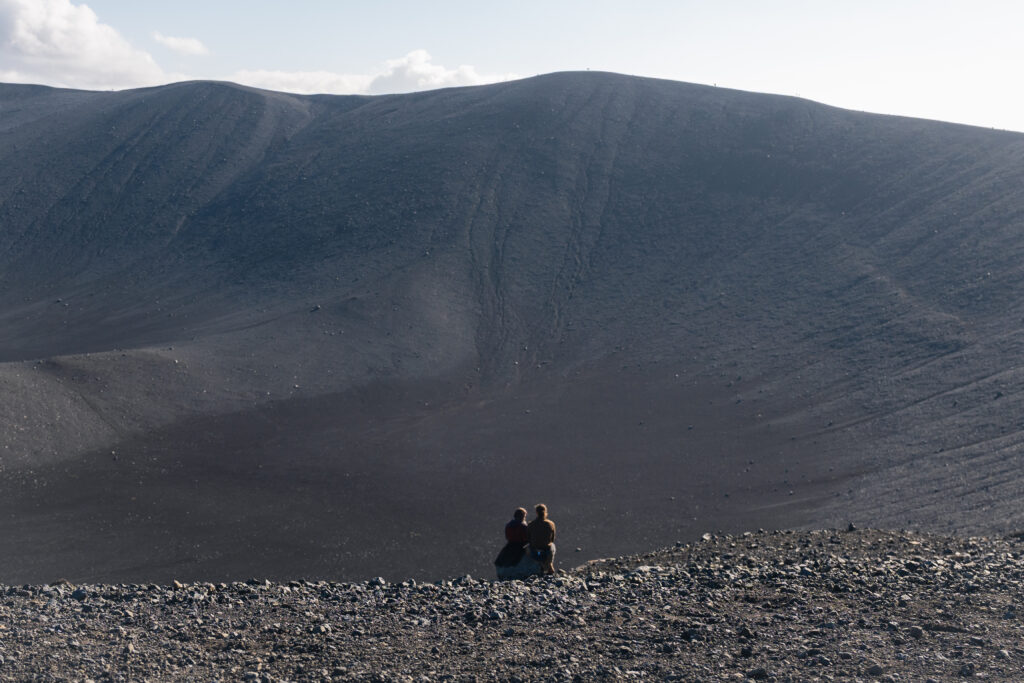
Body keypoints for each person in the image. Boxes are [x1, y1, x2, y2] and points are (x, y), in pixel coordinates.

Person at [528, 503, 557, 575]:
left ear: (536, 512)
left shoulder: (531, 524)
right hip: (546, 549)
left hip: (535, 550)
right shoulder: (551, 524)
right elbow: (552, 539)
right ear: (545, 512)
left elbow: (528, 538)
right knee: (552, 546)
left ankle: (542, 566)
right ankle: (549, 566)